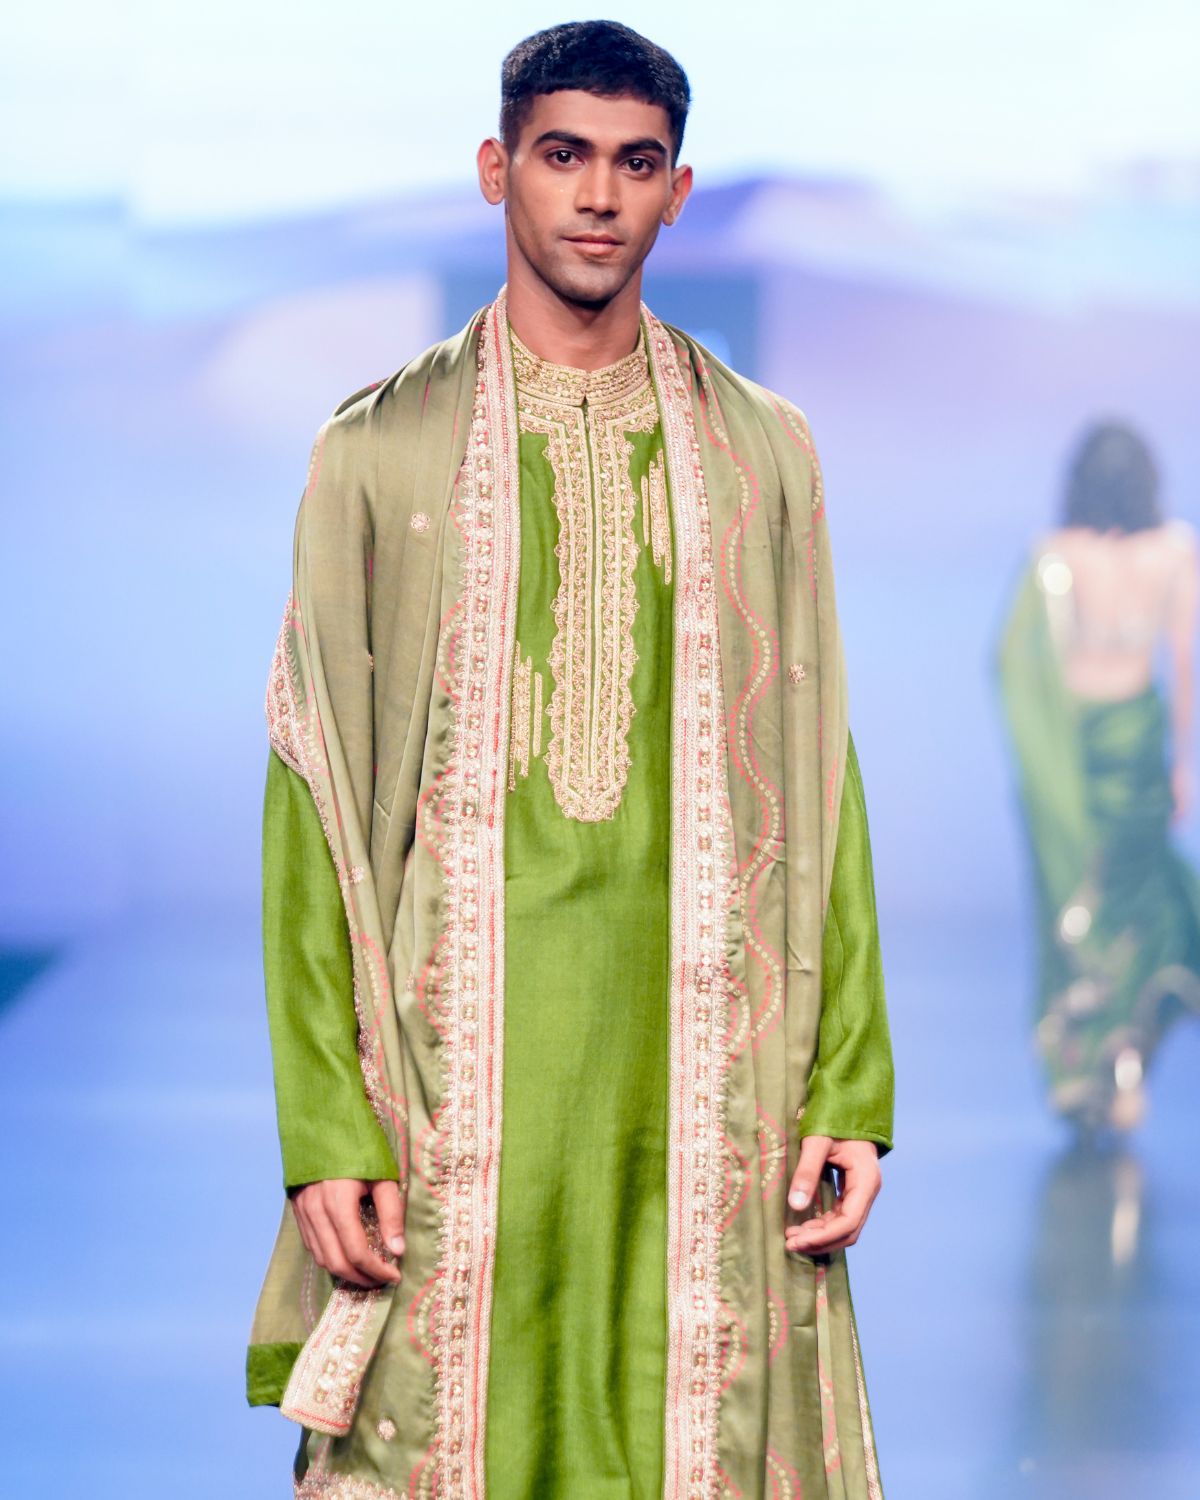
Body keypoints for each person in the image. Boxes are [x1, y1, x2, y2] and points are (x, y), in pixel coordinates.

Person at [247, 21, 894, 1499]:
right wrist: (325, 1122)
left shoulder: (764, 453)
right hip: (450, 1088)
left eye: (635, 163)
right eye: (563, 155)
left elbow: (821, 768)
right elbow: (311, 791)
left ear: (678, 191)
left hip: (710, 1081)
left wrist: (851, 1080)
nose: (598, 196)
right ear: (497, 171)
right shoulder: (376, 453)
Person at [997, 419, 1200, 1132]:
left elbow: (1024, 662)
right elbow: (1183, 664)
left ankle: (1091, 1062)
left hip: (1078, 759)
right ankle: (1126, 1057)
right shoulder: (1174, 551)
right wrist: (1181, 766)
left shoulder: (1057, 555)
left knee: (1080, 901)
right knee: (1134, 907)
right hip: (1138, 746)